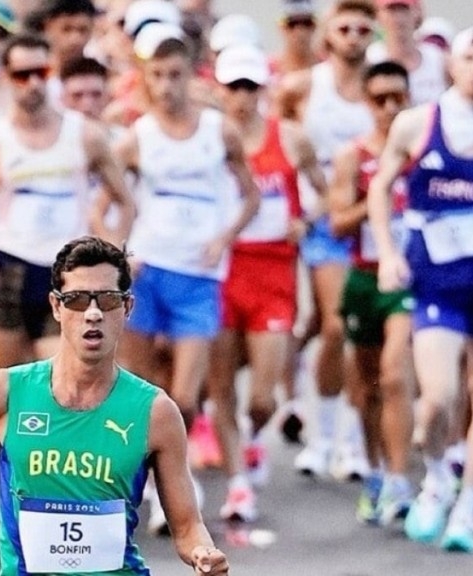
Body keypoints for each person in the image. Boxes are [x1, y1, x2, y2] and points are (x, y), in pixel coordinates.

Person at [0, 236, 229, 576]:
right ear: (56, 307)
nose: (92, 313)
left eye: (107, 300)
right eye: (76, 300)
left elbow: (188, 526)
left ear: (127, 307)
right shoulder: (3, 393)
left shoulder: (155, 412)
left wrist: (204, 555)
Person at [368, 26, 473, 553]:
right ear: (452, 66)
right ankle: (437, 474)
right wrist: (389, 252)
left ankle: (468, 506)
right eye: (468, 58)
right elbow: (381, 187)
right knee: (437, 398)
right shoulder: (418, 124)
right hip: (435, 279)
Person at [115, 22, 260, 533]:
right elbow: (108, 202)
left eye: (176, 74)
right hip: (148, 270)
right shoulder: (138, 137)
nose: (167, 85)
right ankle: (158, 491)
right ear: (146, 78)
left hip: (198, 274)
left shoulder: (218, 130)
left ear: (190, 75)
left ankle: (176, 479)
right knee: (138, 388)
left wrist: (225, 236)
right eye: (157, 75)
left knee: (183, 396)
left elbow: (251, 193)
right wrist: (120, 253)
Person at [0, 34, 135, 377]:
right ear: (7, 78)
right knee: (1, 386)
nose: (33, 83)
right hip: (11, 267)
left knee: (70, 377)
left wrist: (116, 253)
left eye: (41, 71)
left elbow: (125, 201)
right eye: (23, 75)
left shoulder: (85, 136)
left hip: (69, 268)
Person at [207, 43, 315, 523]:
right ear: (220, 90)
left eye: (250, 86)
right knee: (221, 385)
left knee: (263, 396)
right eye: (234, 87)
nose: (242, 96)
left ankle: (251, 440)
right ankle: (237, 484)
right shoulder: (208, 140)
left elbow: (327, 189)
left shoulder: (289, 138)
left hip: (273, 272)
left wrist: (307, 219)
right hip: (223, 269)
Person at [277, 0, 376, 481]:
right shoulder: (302, 87)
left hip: (370, 223)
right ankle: (323, 435)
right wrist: (298, 201)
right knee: (337, 326)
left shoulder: (381, 88)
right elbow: (277, 139)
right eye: (345, 28)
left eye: (363, 28)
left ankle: (354, 441)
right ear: (329, 35)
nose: (354, 36)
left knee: (351, 331)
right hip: (322, 224)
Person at [328, 60, 415, 525]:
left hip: (405, 280)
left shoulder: (423, 153)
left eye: (398, 98)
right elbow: (337, 221)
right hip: (363, 278)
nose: (389, 108)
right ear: (367, 102)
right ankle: (378, 469)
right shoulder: (353, 155)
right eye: (380, 99)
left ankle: (401, 480)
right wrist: (376, 197)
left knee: (396, 375)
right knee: (368, 387)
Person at [367, 0, 448, 105]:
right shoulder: (371, 58)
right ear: (378, 15)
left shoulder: (438, 59)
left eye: (404, 9)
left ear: (417, 12)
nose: (398, 18)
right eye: (391, 10)